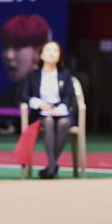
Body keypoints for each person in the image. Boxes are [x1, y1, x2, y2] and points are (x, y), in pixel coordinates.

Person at [22, 40, 74, 179]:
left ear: (59, 56)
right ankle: (52, 165)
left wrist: (61, 108)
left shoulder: (65, 73)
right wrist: (38, 103)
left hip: (61, 110)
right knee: (49, 121)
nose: (52, 53)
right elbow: (24, 95)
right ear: (41, 55)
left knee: (64, 123)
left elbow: (68, 96)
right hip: (41, 112)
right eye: (48, 50)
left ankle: (51, 166)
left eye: (55, 51)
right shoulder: (33, 74)